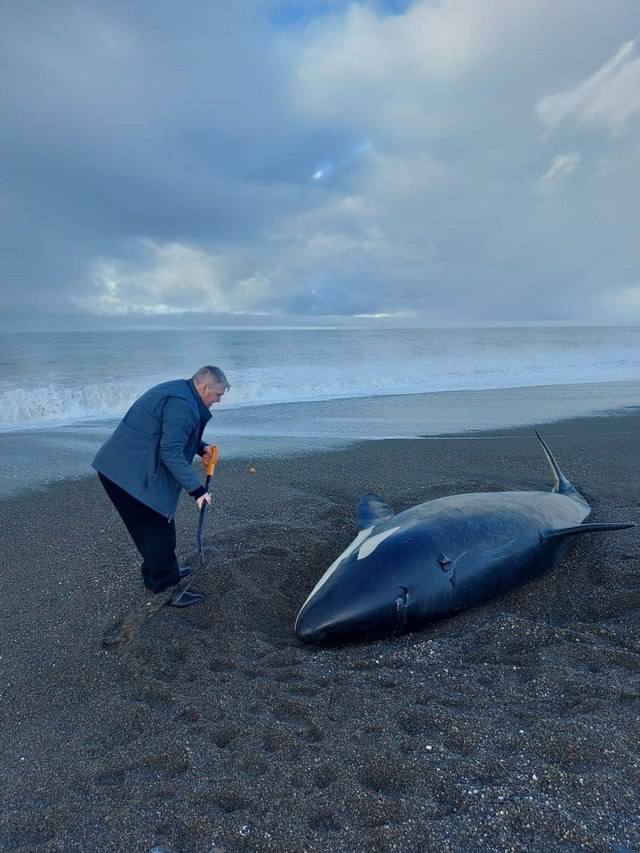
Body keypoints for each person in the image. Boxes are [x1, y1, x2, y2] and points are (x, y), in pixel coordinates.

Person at [92, 365, 230, 607]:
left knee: (156, 527)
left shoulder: (181, 392)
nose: (218, 400)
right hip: (128, 475)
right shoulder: (184, 405)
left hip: (125, 467)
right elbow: (171, 451)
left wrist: (201, 448)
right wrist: (197, 490)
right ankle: (166, 589)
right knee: (157, 531)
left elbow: (172, 433)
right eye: (217, 394)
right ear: (204, 386)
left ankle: (157, 575)